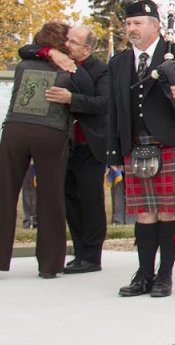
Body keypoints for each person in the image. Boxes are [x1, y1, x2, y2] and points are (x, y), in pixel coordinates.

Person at [0, 22, 80, 279]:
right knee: (51, 196)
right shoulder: (70, 68)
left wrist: (47, 52)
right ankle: (50, 264)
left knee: (3, 195)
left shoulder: (23, 65)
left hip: (15, 129)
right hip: (51, 133)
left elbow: (26, 50)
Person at [107, 0, 175, 298]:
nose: (131, 28)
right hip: (135, 144)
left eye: (138, 23)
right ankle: (144, 275)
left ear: (155, 25)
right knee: (144, 213)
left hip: (171, 142)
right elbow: (114, 109)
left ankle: (165, 276)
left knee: (169, 212)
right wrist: (114, 152)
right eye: (128, 23)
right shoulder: (118, 62)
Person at [18, 25, 111, 273]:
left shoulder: (100, 70)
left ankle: (92, 257)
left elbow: (103, 103)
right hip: (62, 144)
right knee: (69, 199)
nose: (66, 45)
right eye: (66, 40)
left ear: (87, 49)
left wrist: (71, 99)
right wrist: (51, 51)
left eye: (72, 42)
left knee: (90, 201)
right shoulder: (58, 59)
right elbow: (25, 49)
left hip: (88, 145)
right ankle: (79, 252)